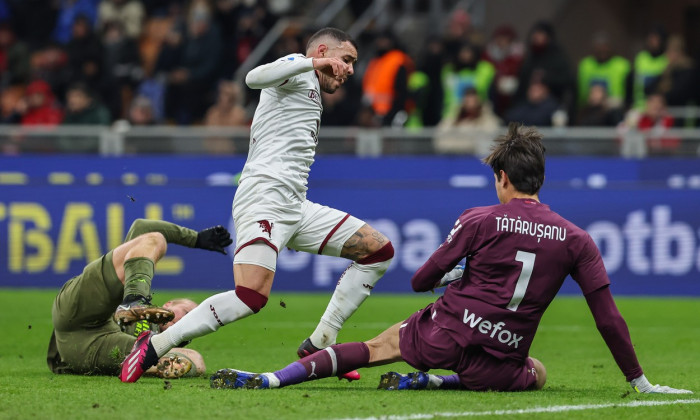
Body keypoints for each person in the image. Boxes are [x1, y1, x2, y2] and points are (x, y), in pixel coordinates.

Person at [209, 123, 692, 395]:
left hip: (448, 331)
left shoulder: (480, 219)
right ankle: (437, 384)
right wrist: (641, 382)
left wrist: (456, 272)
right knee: (539, 373)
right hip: (503, 360)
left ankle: (274, 378)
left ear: (502, 177)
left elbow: (421, 280)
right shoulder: (576, 239)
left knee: (378, 347)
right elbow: (607, 317)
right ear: (540, 178)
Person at [119, 27, 395, 383]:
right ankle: (154, 345)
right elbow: (253, 77)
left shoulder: (309, 85)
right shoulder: (298, 67)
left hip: (296, 206)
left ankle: (321, 341)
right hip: (264, 198)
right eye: (347, 59)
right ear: (324, 50)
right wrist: (314, 61)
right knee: (251, 296)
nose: (350, 70)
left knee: (378, 251)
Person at [48, 218, 232, 378]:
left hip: (85, 348)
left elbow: (196, 361)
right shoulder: (135, 277)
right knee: (154, 239)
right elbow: (142, 227)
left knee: (194, 358)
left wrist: (182, 352)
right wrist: (195, 239)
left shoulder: (165, 343)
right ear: (168, 304)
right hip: (76, 312)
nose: (184, 320)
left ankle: (154, 364)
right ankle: (133, 301)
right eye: (184, 312)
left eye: (191, 320)